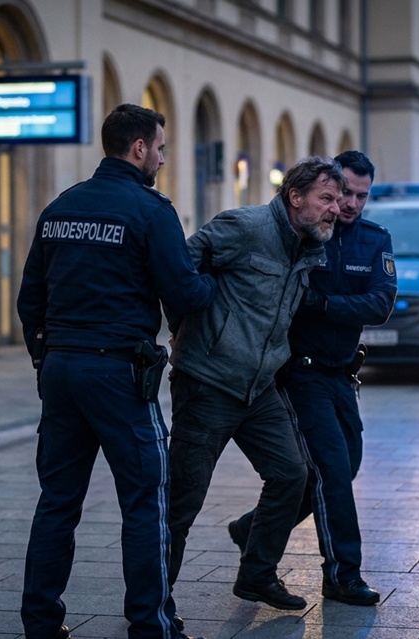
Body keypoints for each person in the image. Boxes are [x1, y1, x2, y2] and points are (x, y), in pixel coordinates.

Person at [16, 103, 214, 639]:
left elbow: (29, 298)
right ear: (139, 149)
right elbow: (184, 293)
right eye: (161, 149)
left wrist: (46, 358)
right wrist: (214, 283)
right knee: (146, 502)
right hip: (119, 374)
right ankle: (150, 626)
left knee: (57, 501)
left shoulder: (61, 207)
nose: (163, 159)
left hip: (61, 370)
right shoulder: (151, 210)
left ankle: (40, 622)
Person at [166, 156, 345, 612]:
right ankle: (153, 601)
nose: (335, 208)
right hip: (208, 382)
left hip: (260, 386)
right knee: (182, 501)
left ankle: (256, 575)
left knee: (291, 474)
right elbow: (178, 268)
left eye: (339, 200)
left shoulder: (310, 247)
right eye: (326, 198)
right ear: (296, 197)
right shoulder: (244, 227)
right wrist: (188, 328)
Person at [227, 151, 396, 606]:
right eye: (345, 193)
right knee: (332, 472)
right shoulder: (304, 234)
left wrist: (324, 307)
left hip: (342, 374)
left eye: (362, 196)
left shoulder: (374, 240)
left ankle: (253, 530)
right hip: (299, 375)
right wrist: (335, 307)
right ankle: (343, 575)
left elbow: (380, 305)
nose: (352, 204)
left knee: (344, 467)